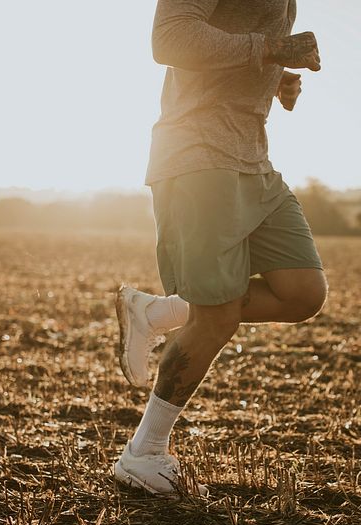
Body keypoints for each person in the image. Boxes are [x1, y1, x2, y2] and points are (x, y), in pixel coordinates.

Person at [113, 0, 327, 497]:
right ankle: (143, 454)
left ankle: (159, 312)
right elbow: (169, 41)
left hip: (253, 158)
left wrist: (276, 79)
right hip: (196, 156)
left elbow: (238, 48)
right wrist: (273, 49)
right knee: (217, 316)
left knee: (303, 293)